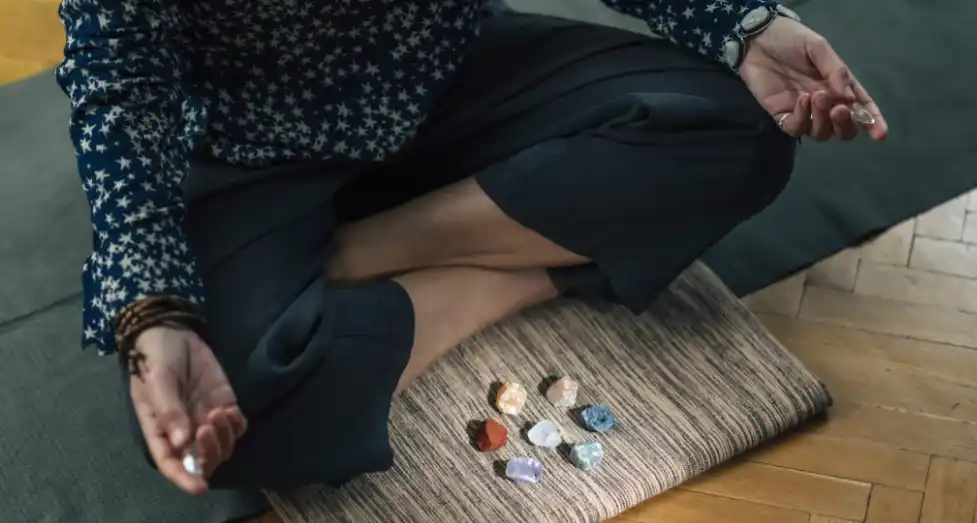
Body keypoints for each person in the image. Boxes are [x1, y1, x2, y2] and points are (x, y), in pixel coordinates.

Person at [56, 0, 887, 495]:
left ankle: (375, 252)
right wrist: (153, 312)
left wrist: (744, 27)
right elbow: (119, 81)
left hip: (455, 79)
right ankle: (531, 260)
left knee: (744, 132)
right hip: (254, 152)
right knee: (214, 422)